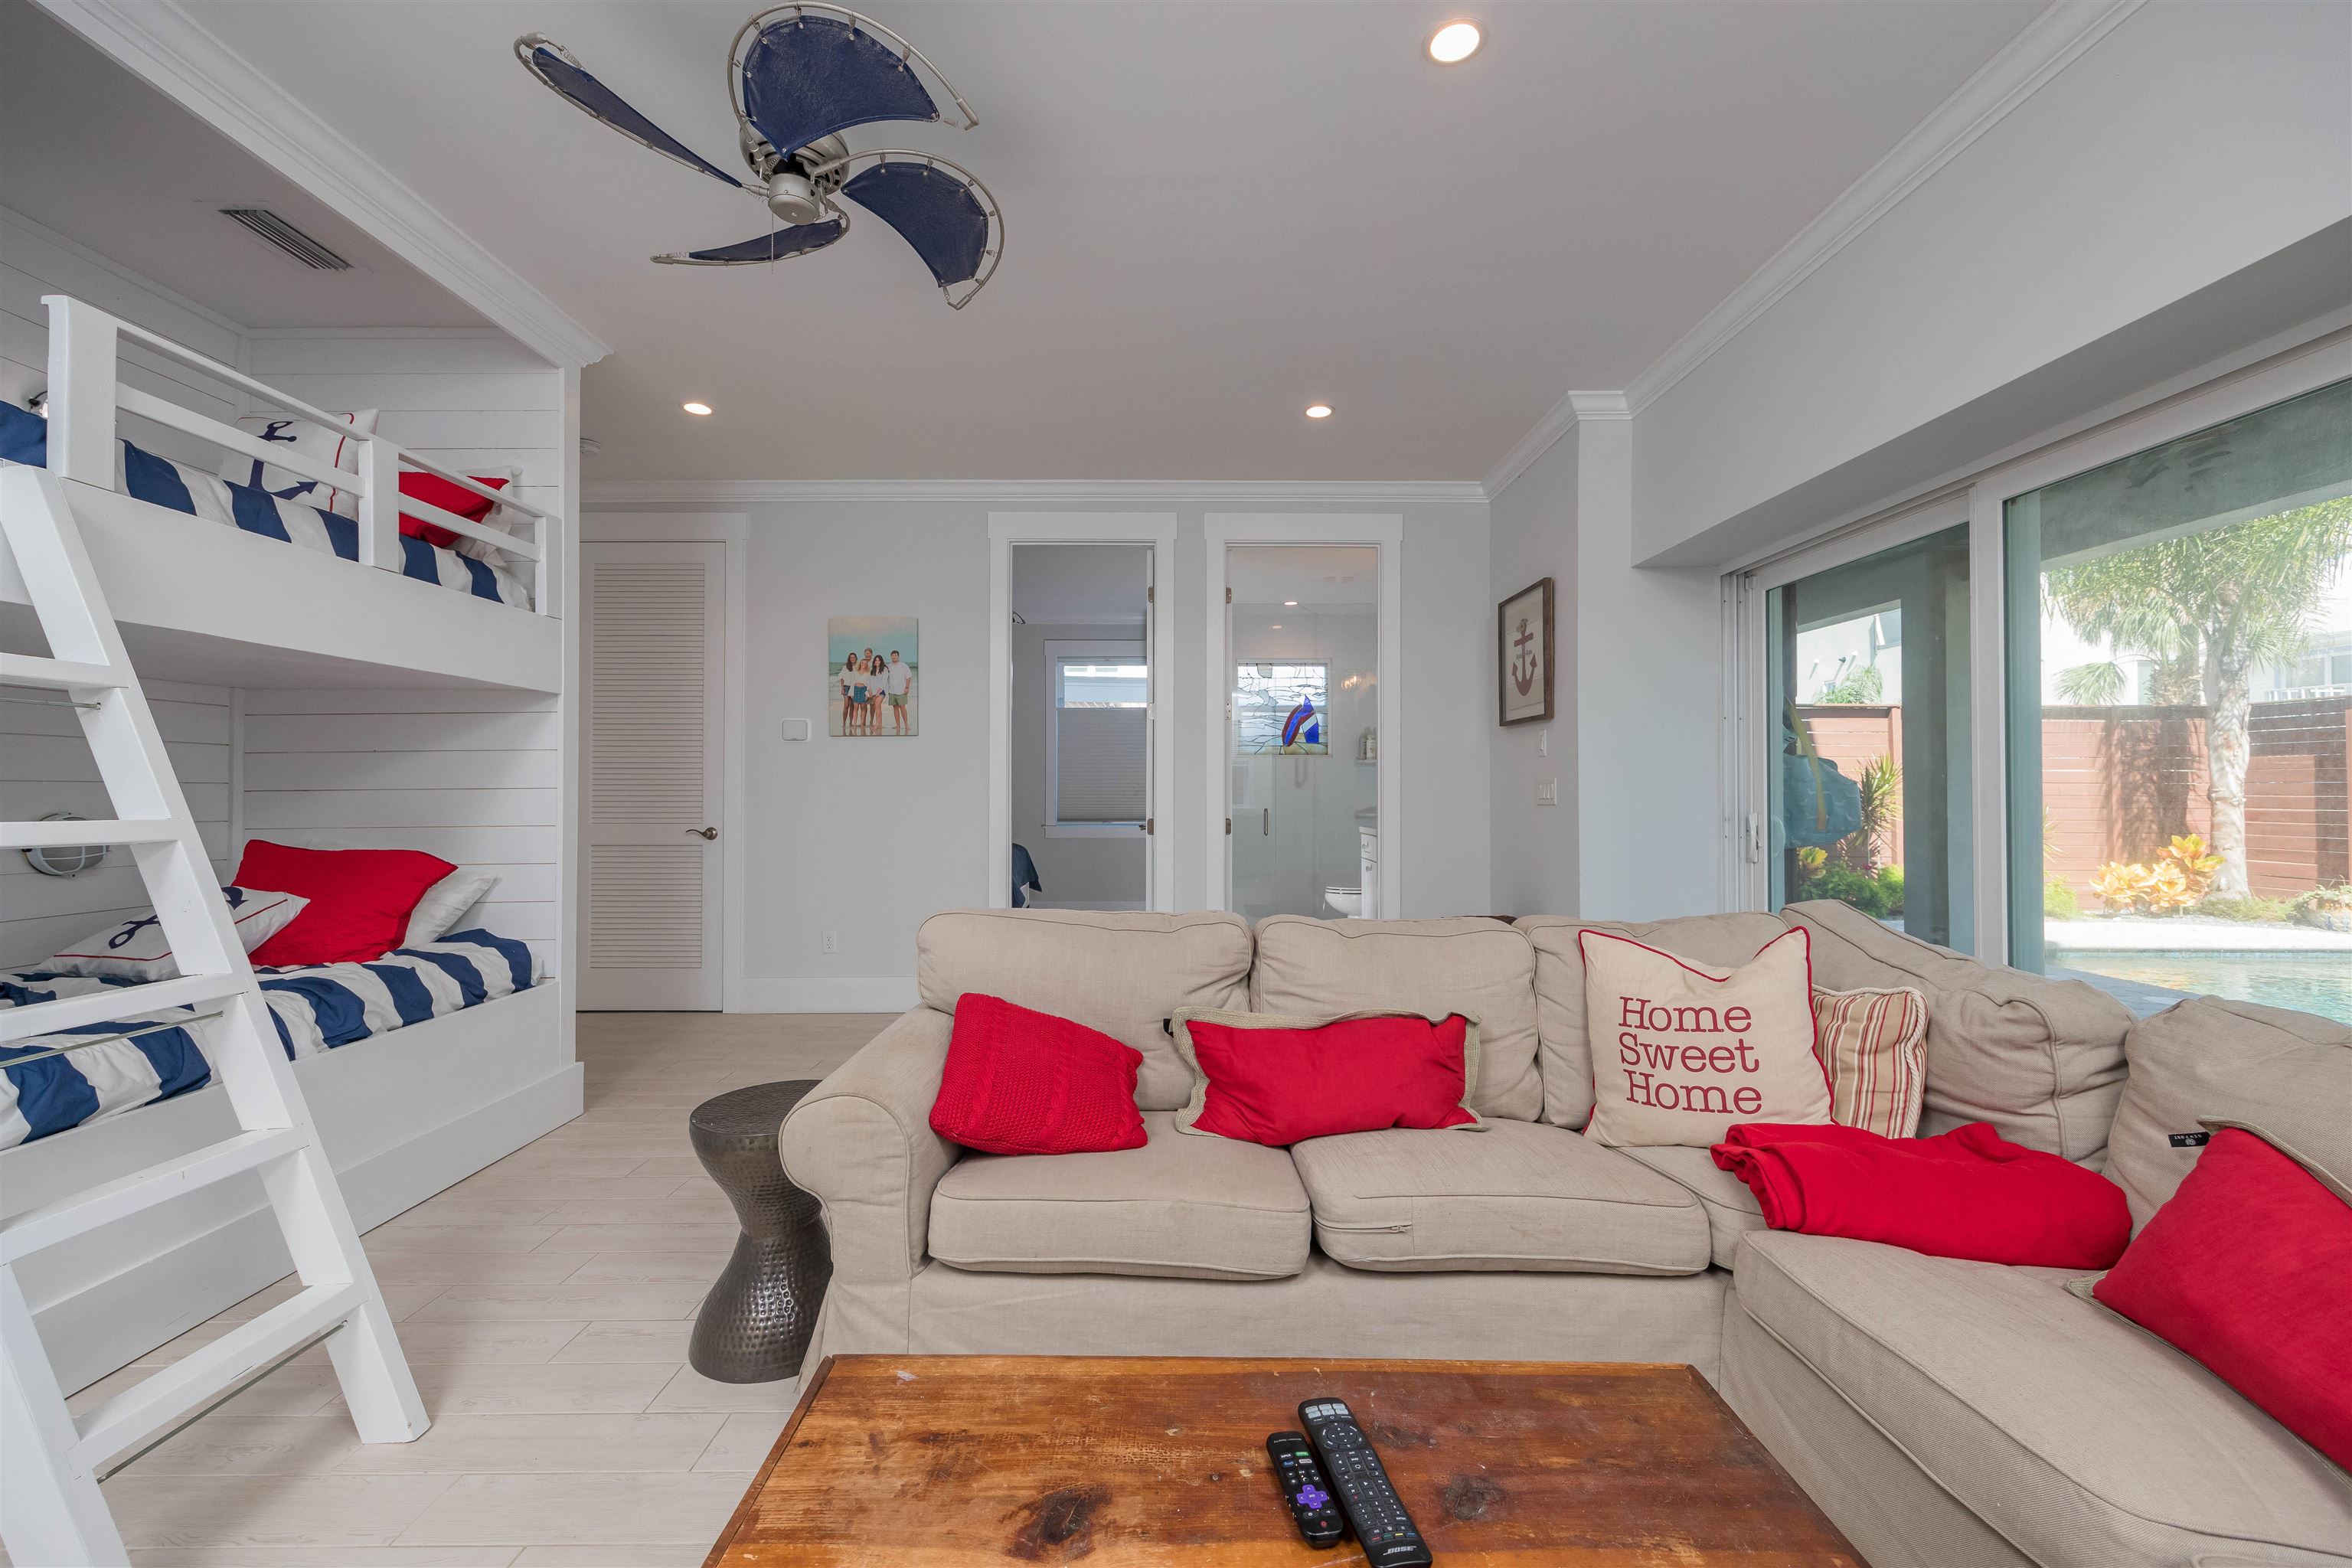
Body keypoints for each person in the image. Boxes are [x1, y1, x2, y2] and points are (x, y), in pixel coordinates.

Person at [884, 648, 913, 734]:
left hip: (901, 690)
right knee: (895, 708)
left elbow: (908, 677)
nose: (894, 657)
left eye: (895, 655)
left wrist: (907, 688)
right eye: (892, 656)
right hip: (892, 691)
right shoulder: (889, 666)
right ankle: (898, 725)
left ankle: (907, 725)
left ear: (898, 656)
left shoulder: (904, 666)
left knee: (903, 708)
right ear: (891, 657)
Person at [848, 654, 871, 736]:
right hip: (856, 689)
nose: (864, 664)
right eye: (863, 663)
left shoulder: (868, 673)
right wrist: (851, 693)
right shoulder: (856, 672)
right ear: (860, 663)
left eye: (865, 663)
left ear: (867, 665)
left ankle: (861, 724)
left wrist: (868, 694)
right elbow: (852, 682)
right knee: (856, 707)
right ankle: (854, 724)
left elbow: (869, 684)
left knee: (863, 707)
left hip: (864, 690)